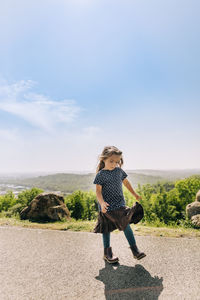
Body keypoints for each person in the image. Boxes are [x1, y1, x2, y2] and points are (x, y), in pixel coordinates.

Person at [93, 145, 146, 264]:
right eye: (111, 161)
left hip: (119, 205)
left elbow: (126, 183)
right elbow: (98, 191)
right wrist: (101, 203)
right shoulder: (101, 174)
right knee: (106, 228)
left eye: (117, 162)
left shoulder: (119, 171)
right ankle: (108, 253)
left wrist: (134, 194)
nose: (114, 164)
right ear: (104, 159)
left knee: (125, 223)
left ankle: (135, 250)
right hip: (106, 207)